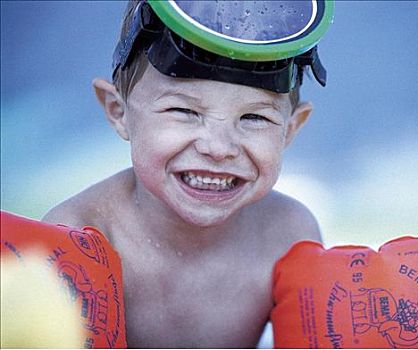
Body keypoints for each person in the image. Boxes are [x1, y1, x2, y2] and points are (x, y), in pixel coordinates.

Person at [43, 0, 333, 347]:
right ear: (118, 112)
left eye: (254, 118)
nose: (218, 147)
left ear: (290, 129)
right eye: (183, 110)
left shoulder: (288, 233)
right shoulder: (78, 235)